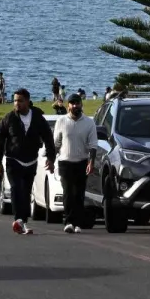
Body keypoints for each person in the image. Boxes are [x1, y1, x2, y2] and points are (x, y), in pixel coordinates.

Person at [0, 88, 56, 235]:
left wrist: (51, 158)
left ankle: (24, 221)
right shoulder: (8, 119)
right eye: (15, 100)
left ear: (27, 101)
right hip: (13, 160)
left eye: (20, 101)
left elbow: (48, 138)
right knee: (15, 188)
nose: (17, 103)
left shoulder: (38, 118)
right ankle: (18, 219)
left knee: (26, 192)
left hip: (31, 161)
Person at [54, 93, 96, 233]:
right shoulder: (61, 121)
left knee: (79, 194)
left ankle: (78, 223)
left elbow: (93, 145)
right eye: (72, 103)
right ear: (68, 106)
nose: (75, 106)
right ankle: (68, 222)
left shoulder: (89, 123)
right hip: (65, 162)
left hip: (81, 162)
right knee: (68, 193)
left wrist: (91, 162)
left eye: (77, 103)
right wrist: (50, 159)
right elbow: (57, 143)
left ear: (81, 105)